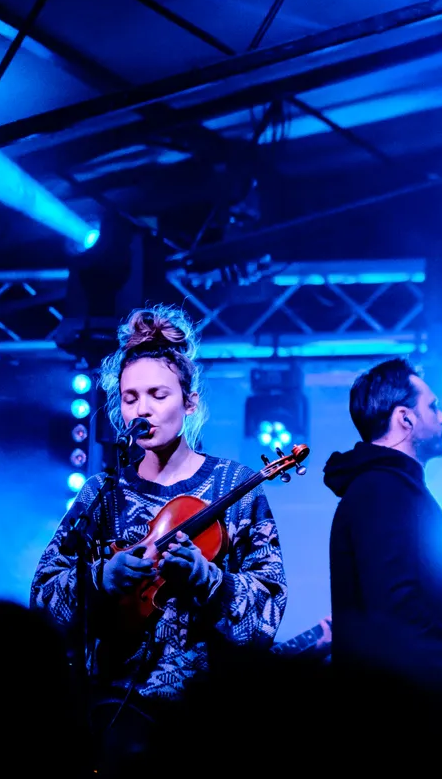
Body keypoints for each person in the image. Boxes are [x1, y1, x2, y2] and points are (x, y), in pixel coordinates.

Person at [31, 306, 288, 776]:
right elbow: (42, 603)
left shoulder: (236, 486)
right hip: (114, 716)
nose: (142, 409)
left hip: (211, 723)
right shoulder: (102, 493)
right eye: (130, 398)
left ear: (189, 403)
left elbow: (266, 615)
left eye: (157, 394)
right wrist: (99, 579)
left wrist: (208, 579)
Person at [323, 358, 442, 717]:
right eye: (433, 407)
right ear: (405, 418)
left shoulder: (390, 488)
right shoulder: (381, 490)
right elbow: (395, 607)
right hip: (401, 721)